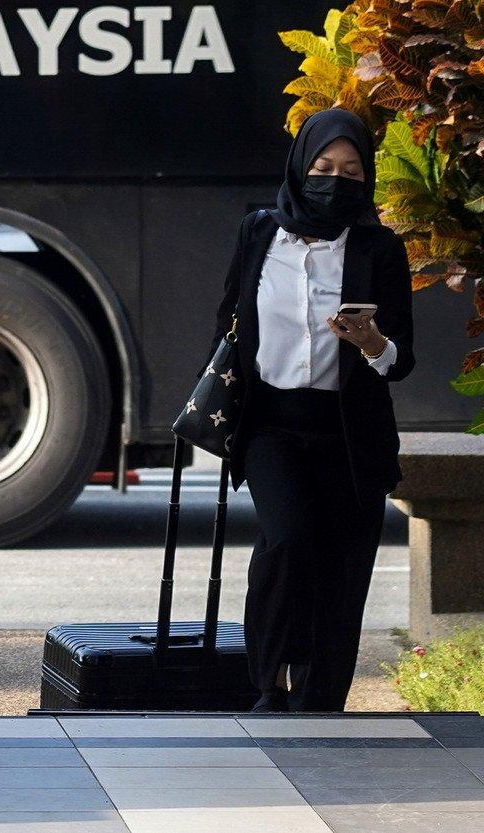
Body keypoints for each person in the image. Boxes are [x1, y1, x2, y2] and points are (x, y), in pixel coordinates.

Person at [202, 107, 414, 712]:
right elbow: (229, 321)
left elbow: (402, 360)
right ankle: (268, 681)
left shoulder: (378, 247)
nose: (334, 179)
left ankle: (321, 699)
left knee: (343, 571)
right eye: (323, 166)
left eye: (350, 170)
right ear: (300, 165)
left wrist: (372, 344)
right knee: (287, 540)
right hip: (271, 425)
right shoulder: (259, 233)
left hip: (351, 434)